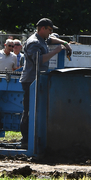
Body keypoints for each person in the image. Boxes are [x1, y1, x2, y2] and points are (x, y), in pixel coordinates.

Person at [20, 18, 72, 148]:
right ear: (42, 28)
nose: (51, 33)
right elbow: (39, 60)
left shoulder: (42, 39)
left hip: (38, 78)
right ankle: (26, 139)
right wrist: (55, 51)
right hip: (30, 80)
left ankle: (35, 137)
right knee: (29, 110)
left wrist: (65, 43)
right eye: (50, 30)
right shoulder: (33, 42)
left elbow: (51, 39)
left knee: (38, 109)